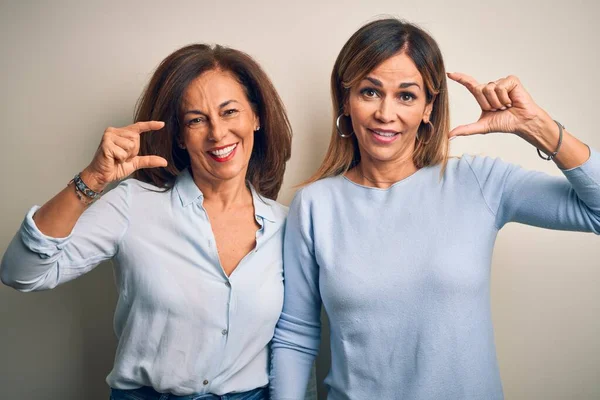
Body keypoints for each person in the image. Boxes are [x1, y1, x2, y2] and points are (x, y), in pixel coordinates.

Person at [270, 18, 600, 400]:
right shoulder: (314, 205)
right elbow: (296, 336)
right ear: (346, 99)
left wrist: (537, 126)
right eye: (370, 92)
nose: (385, 113)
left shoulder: (477, 181)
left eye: (406, 96)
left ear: (429, 107)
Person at [1, 43, 292, 400]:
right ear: (181, 137)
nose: (217, 133)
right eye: (196, 120)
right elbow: (21, 273)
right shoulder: (132, 205)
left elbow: (295, 345)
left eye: (229, 112)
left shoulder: (287, 227)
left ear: (256, 117)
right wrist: (92, 179)